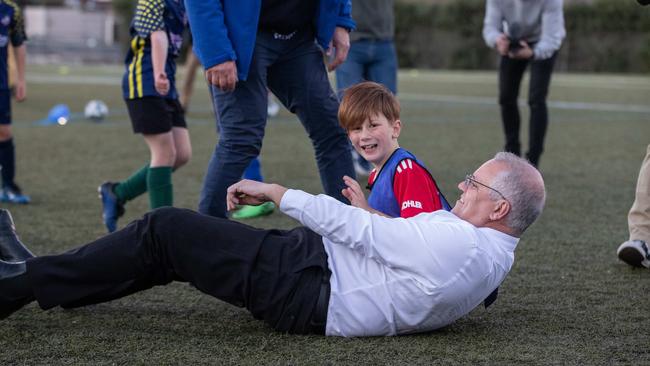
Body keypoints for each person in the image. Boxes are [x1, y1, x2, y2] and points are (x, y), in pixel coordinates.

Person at [0, 152, 546, 337]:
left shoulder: (463, 246)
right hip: (315, 278)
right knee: (168, 250)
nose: (461, 187)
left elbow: (368, 234)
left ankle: (19, 282)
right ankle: (49, 281)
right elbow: (399, 249)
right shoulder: (494, 254)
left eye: (474, 184)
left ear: (500, 208)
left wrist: (278, 191)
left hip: (305, 284)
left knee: (165, 228)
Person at [185, 0, 357, 219]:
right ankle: (203, 238)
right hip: (245, 37)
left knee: (332, 130)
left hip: (298, 37)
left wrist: (340, 20)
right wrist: (216, 51)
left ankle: (350, 232)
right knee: (241, 139)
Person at [98, 0, 191, 233]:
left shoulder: (184, 4)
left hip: (166, 86)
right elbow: (157, 36)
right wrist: (160, 73)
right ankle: (163, 231)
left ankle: (117, 193)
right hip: (145, 83)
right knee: (165, 153)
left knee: (181, 154)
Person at [338, 82, 450, 218]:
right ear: (349, 135)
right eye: (356, 128)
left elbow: (418, 233)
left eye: (373, 125)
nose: (364, 136)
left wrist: (367, 211)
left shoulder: (406, 171)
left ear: (395, 129)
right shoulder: (377, 172)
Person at [482, 0, 566, 167]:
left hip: (543, 42)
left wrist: (533, 53)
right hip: (512, 41)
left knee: (536, 99)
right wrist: (498, 40)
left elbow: (552, 37)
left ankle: (533, 161)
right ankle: (512, 154)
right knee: (506, 97)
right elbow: (489, 28)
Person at [335, 0, 397, 176]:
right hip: (352, 39)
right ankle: (352, 155)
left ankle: (386, 159)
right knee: (350, 103)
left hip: (384, 41)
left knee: (387, 104)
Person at [0, 1, 28, 204]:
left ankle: (8, 186)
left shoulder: (11, 10)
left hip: (1, 83)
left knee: (4, 132)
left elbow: (19, 43)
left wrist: (21, 79)